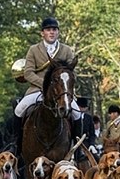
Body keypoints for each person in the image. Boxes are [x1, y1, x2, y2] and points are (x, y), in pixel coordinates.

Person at [11, 17, 83, 152]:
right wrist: (44, 85)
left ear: (58, 32)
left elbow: (72, 73)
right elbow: (28, 73)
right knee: (19, 109)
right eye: (48, 30)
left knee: (77, 113)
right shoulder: (34, 50)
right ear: (42, 33)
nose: (51, 32)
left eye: (54, 30)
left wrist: (64, 86)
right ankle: (15, 143)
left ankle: (78, 147)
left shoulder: (66, 50)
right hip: (37, 89)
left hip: (61, 91)